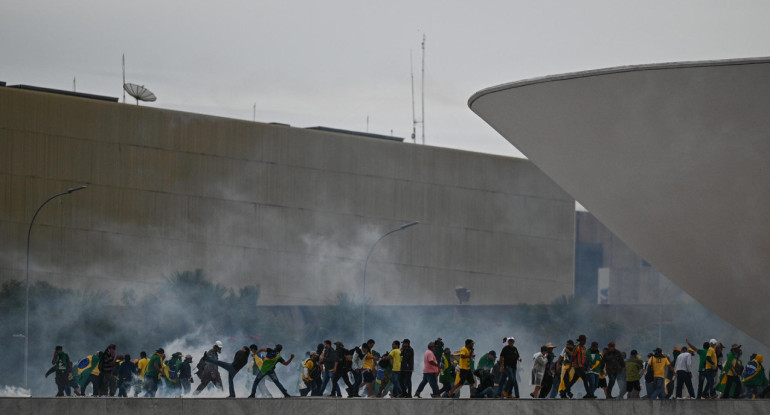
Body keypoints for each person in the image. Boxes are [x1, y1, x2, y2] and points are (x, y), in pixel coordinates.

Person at [562, 334, 589, 399]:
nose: (585, 342)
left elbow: (584, 358)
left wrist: (587, 365)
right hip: (577, 366)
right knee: (585, 379)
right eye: (584, 340)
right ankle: (588, 393)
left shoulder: (584, 348)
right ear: (581, 341)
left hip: (581, 366)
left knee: (573, 381)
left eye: (585, 340)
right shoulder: (577, 348)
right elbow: (572, 357)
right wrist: (570, 366)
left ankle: (563, 392)